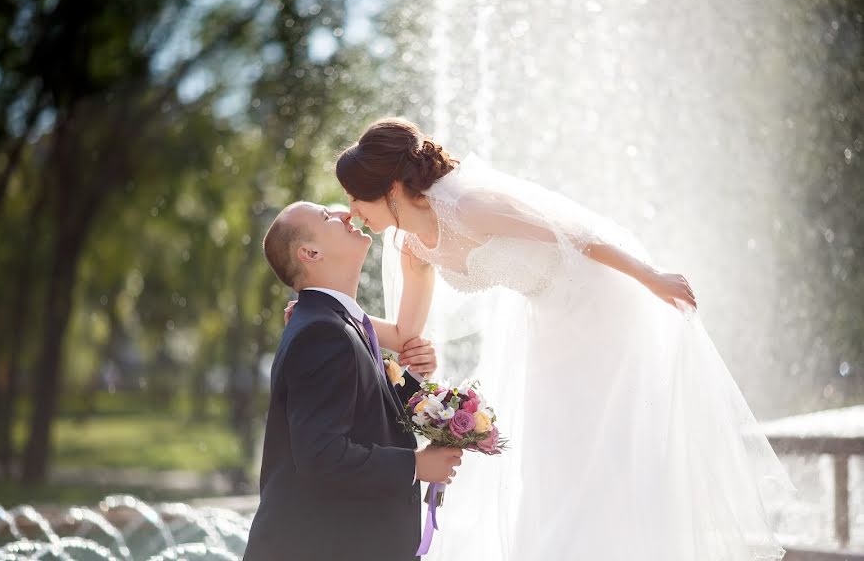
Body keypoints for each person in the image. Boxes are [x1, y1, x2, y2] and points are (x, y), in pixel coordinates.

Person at [331, 118, 795, 561]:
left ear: (390, 189)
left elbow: (577, 235)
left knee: (606, 449)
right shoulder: (412, 246)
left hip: (601, 305)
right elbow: (405, 331)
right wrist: (333, 308)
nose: (352, 211)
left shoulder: (471, 206)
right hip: (548, 322)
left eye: (356, 198)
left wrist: (651, 278)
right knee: (554, 458)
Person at [243, 201, 463, 561]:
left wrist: (412, 378)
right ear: (310, 253)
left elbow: (362, 412)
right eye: (326, 215)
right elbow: (322, 456)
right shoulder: (322, 332)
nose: (344, 213)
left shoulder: (335, 324)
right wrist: (416, 465)